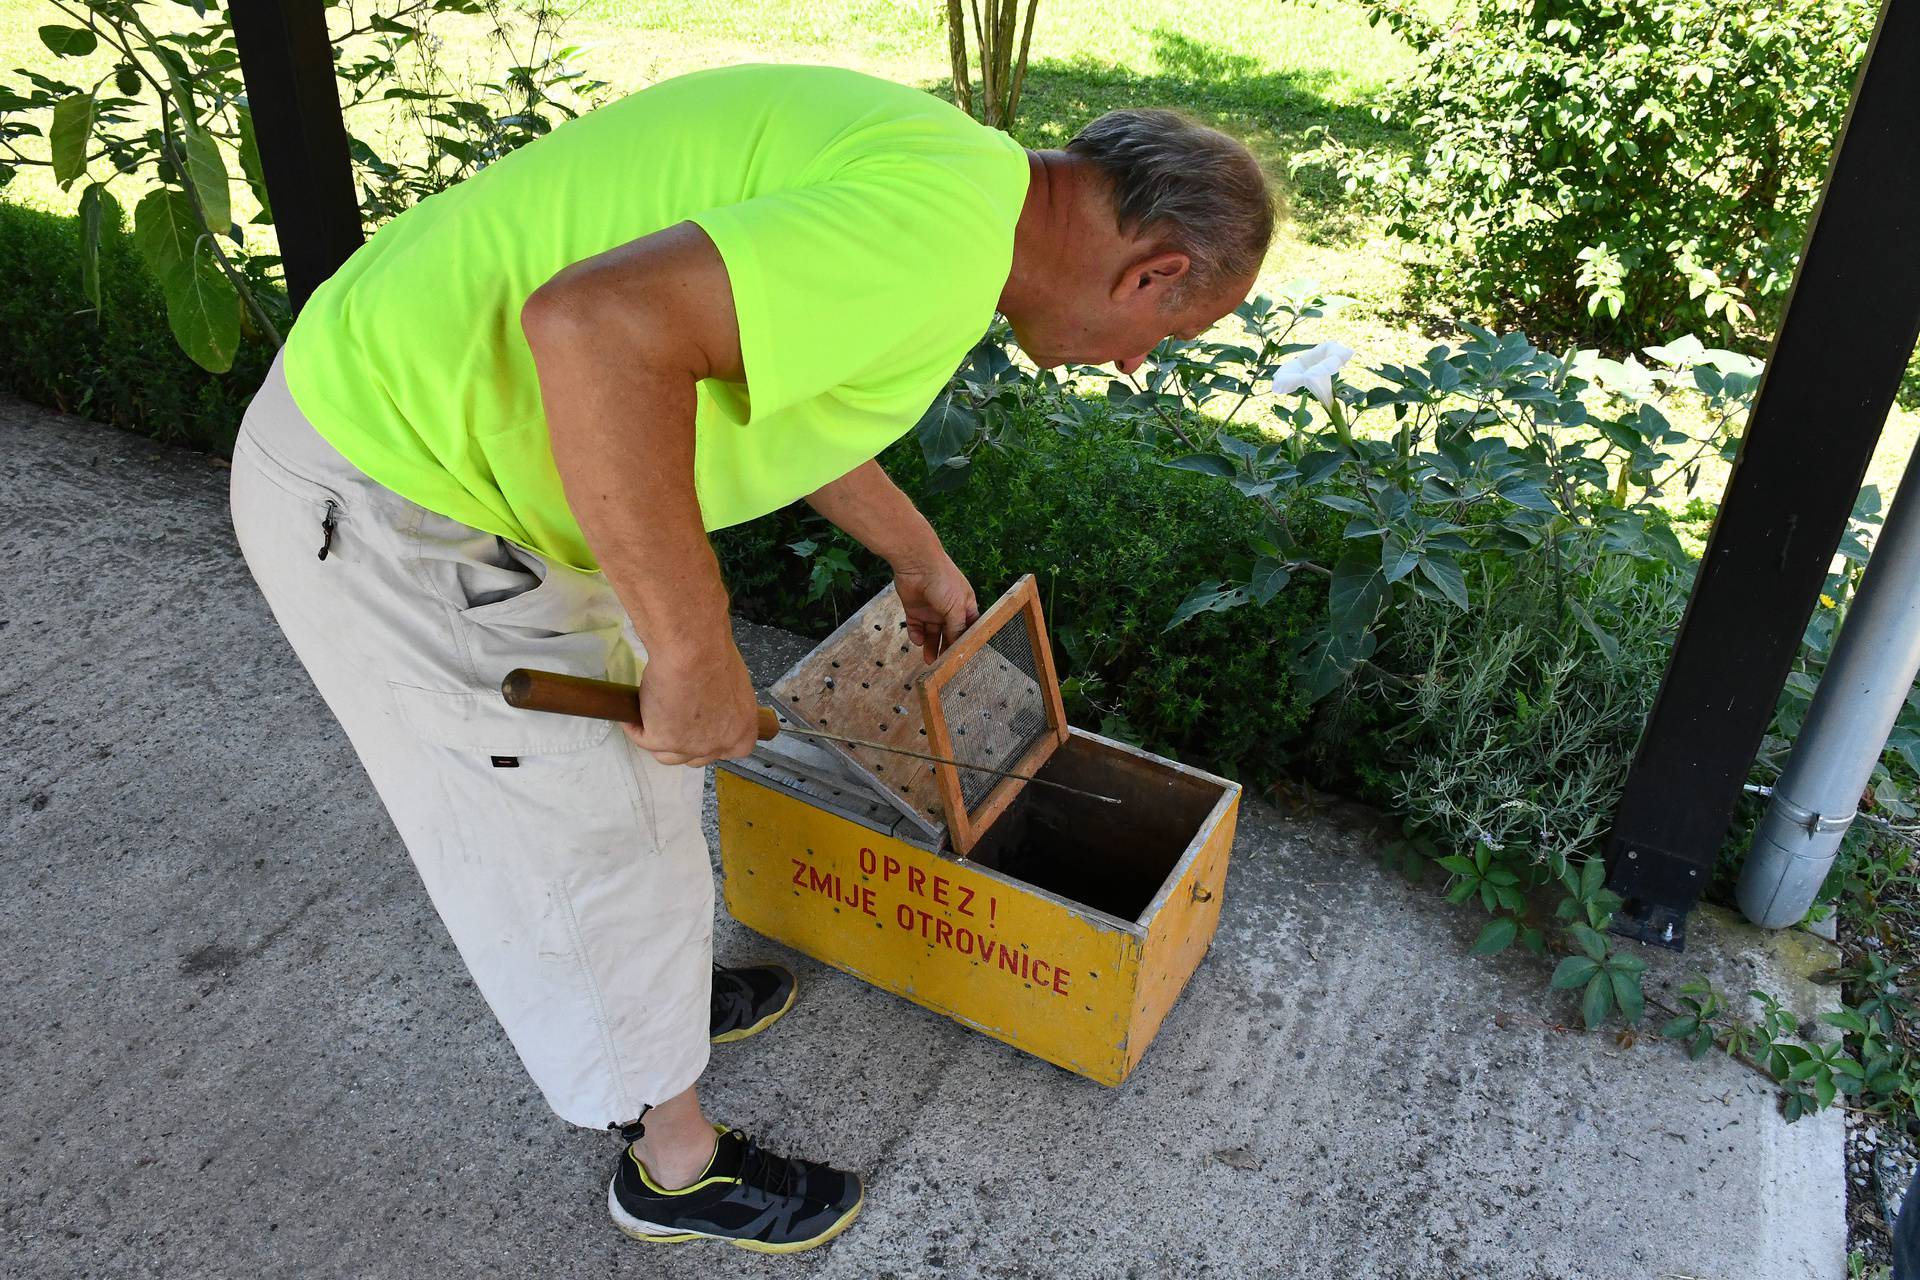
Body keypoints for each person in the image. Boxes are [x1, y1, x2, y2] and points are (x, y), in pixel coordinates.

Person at [228, 62, 1273, 1253]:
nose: (1138, 361)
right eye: (1166, 334)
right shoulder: (934, 244)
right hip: (397, 495)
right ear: (1155, 271)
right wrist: (691, 646)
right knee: (577, 840)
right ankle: (669, 1159)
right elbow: (597, 327)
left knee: (642, 789)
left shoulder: (954, 177)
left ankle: (653, 1006)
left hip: (455, 443)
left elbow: (764, 375)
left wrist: (919, 557)